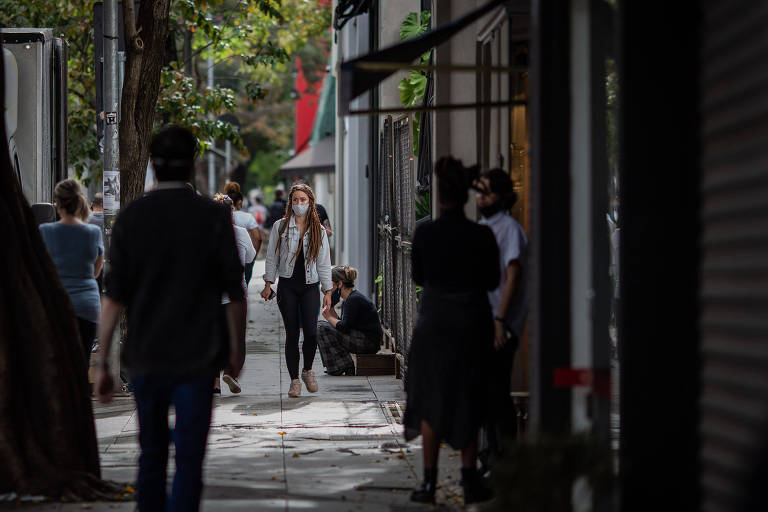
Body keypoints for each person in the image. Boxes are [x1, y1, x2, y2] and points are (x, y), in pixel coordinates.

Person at [93, 126, 247, 511]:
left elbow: (113, 297)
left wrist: (102, 362)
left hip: (147, 356)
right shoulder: (213, 217)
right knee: (190, 459)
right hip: (199, 355)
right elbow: (236, 293)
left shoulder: (131, 217)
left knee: (151, 455)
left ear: (153, 165)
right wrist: (236, 349)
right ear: (193, 165)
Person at [404, 157, 499, 506]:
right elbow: (493, 280)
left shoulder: (426, 233)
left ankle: (428, 481)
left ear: (440, 197)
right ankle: (469, 478)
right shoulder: (482, 235)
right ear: (466, 197)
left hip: (434, 324)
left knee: (431, 399)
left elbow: (418, 278)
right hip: (472, 324)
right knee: (469, 396)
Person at [476, 168, 530, 474]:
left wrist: (500, 319)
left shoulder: (508, 229)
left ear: (501, 195)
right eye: (479, 191)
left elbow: (513, 275)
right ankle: (492, 451)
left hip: (500, 323)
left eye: (487, 192)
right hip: (486, 321)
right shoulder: (487, 226)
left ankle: (504, 457)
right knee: (487, 391)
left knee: (497, 392)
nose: (481, 198)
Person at [261, 183, 332, 398]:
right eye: (295, 200)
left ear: (310, 203)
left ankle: (308, 370)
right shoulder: (280, 227)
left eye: (303, 200)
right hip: (288, 285)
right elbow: (272, 257)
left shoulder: (319, 230)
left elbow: (324, 262)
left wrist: (327, 291)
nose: (299, 204)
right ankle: (294, 382)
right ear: (290, 203)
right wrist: (268, 283)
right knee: (292, 333)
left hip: (311, 286)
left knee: (311, 333)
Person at [39, 179, 104, 371]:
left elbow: (41, 269)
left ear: (57, 204)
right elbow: (96, 272)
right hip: (87, 306)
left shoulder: (45, 231)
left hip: (56, 305)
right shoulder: (93, 233)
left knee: (57, 367)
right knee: (81, 365)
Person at [212, 192, 256, 394]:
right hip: (236, 295)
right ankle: (231, 372)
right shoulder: (240, 232)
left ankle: (215, 382)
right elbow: (249, 258)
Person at [317, 265, 381, 376]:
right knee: (321, 325)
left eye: (330, 284)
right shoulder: (350, 298)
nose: (328, 289)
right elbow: (341, 324)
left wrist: (328, 317)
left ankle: (344, 364)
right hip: (360, 338)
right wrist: (330, 308)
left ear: (339, 284)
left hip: (367, 342)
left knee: (321, 327)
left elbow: (343, 327)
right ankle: (338, 365)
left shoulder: (354, 299)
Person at [223, 182, 261, 283]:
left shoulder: (218, 218)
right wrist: (252, 257)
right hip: (243, 261)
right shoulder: (247, 217)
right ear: (240, 202)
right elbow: (258, 238)